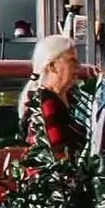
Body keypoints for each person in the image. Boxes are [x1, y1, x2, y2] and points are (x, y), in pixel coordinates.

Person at [22, 29, 85, 158]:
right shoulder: (46, 103)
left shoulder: (72, 97)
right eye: (72, 60)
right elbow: (59, 154)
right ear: (52, 66)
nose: (78, 66)